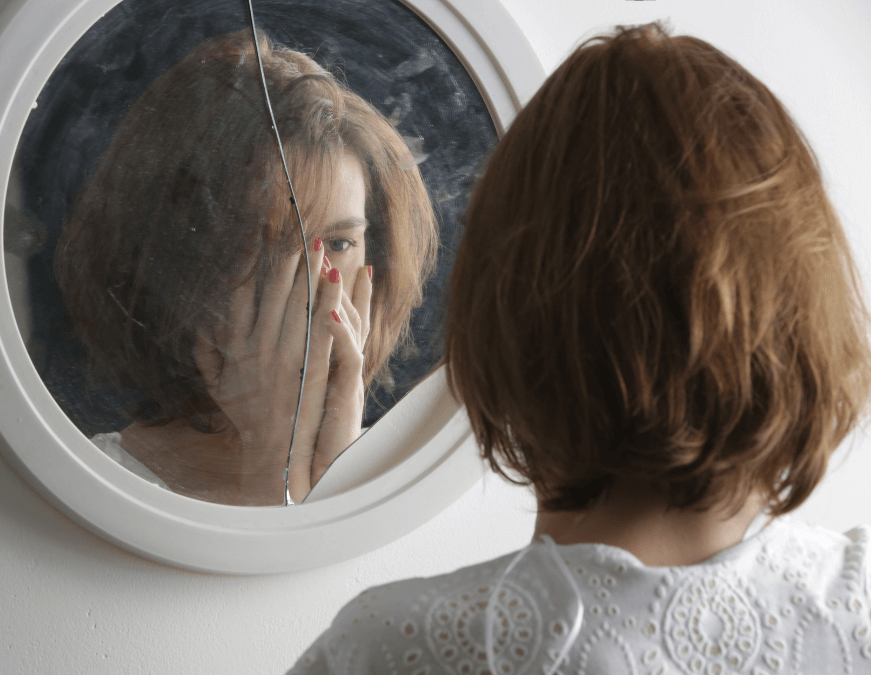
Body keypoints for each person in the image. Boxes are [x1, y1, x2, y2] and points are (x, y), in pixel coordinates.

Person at [287, 22, 871, 674]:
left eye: (338, 243)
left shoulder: (388, 649)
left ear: (499, 312)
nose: (301, 285)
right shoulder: (856, 607)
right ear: (804, 313)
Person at [53, 29, 437, 506]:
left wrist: (334, 475)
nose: (309, 290)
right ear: (182, 260)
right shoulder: (93, 487)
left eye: (338, 243)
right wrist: (273, 463)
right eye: (265, 246)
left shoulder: (414, 478)